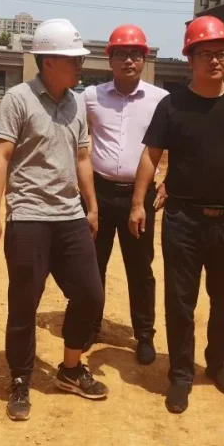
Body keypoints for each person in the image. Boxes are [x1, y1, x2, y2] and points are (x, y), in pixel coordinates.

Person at [129, 15, 224, 415]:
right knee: (181, 301)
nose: (215, 60)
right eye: (205, 54)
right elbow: (150, 156)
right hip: (183, 221)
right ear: (190, 59)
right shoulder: (172, 105)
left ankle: (218, 363)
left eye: (220, 53)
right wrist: (138, 203)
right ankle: (180, 374)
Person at [0, 18, 108, 422]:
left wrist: (92, 205)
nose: (81, 64)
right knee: (24, 304)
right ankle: (20, 378)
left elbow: (83, 157)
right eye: (74, 58)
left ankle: (70, 368)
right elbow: (1, 156)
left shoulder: (77, 103)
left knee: (90, 295)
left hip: (70, 216)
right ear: (49, 61)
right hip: (29, 218)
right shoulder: (18, 99)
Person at [82, 25, 167, 365]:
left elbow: (176, 143)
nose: (128, 60)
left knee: (140, 267)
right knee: (93, 264)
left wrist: (170, 181)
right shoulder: (91, 97)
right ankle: (90, 326)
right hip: (99, 194)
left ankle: (144, 335)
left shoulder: (160, 100)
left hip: (140, 196)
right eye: (121, 54)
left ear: (144, 59)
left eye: (135, 54)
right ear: (110, 60)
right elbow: (76, 139)